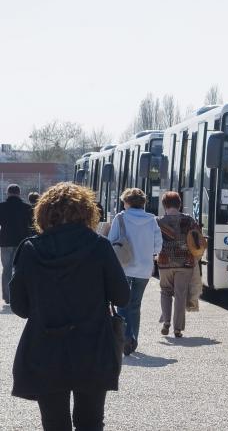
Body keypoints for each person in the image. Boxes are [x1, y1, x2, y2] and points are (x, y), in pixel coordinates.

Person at [10, 182, 130, 430]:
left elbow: (20, 307)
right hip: (93, 346)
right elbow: (122, 297)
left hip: (45, 347)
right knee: (91, 422)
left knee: (54, 423)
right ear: (87, 213)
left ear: (43, 214)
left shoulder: (31, 249)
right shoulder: (100, 246)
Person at [107, 188, 163, 355]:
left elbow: (111, 241)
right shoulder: (152, 220)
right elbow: (158, 246)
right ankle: (133, 339)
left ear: (127, 202)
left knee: (122, 302)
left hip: (124, 266)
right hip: (144, 269)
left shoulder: (121, 217)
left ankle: (127, 336)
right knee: (135, 305)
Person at [156, 191, 199, 338]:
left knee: (165, 292)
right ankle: (177, 329)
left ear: (164, 205)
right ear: (179, 204)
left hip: (164, 262)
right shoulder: (189, 220)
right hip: (185, 263)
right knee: (180, 295)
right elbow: (197, 239)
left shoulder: (158, 221)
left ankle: (166, 322)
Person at [0, 183, 34, 305]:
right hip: (22, 242)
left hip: (5, 242)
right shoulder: (27, 208)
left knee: (6, 269)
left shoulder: (1, 207)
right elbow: (33, 224)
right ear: (19, 193)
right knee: (19, 269)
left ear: (8, 193)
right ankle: (19, 296)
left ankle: (7, 296)